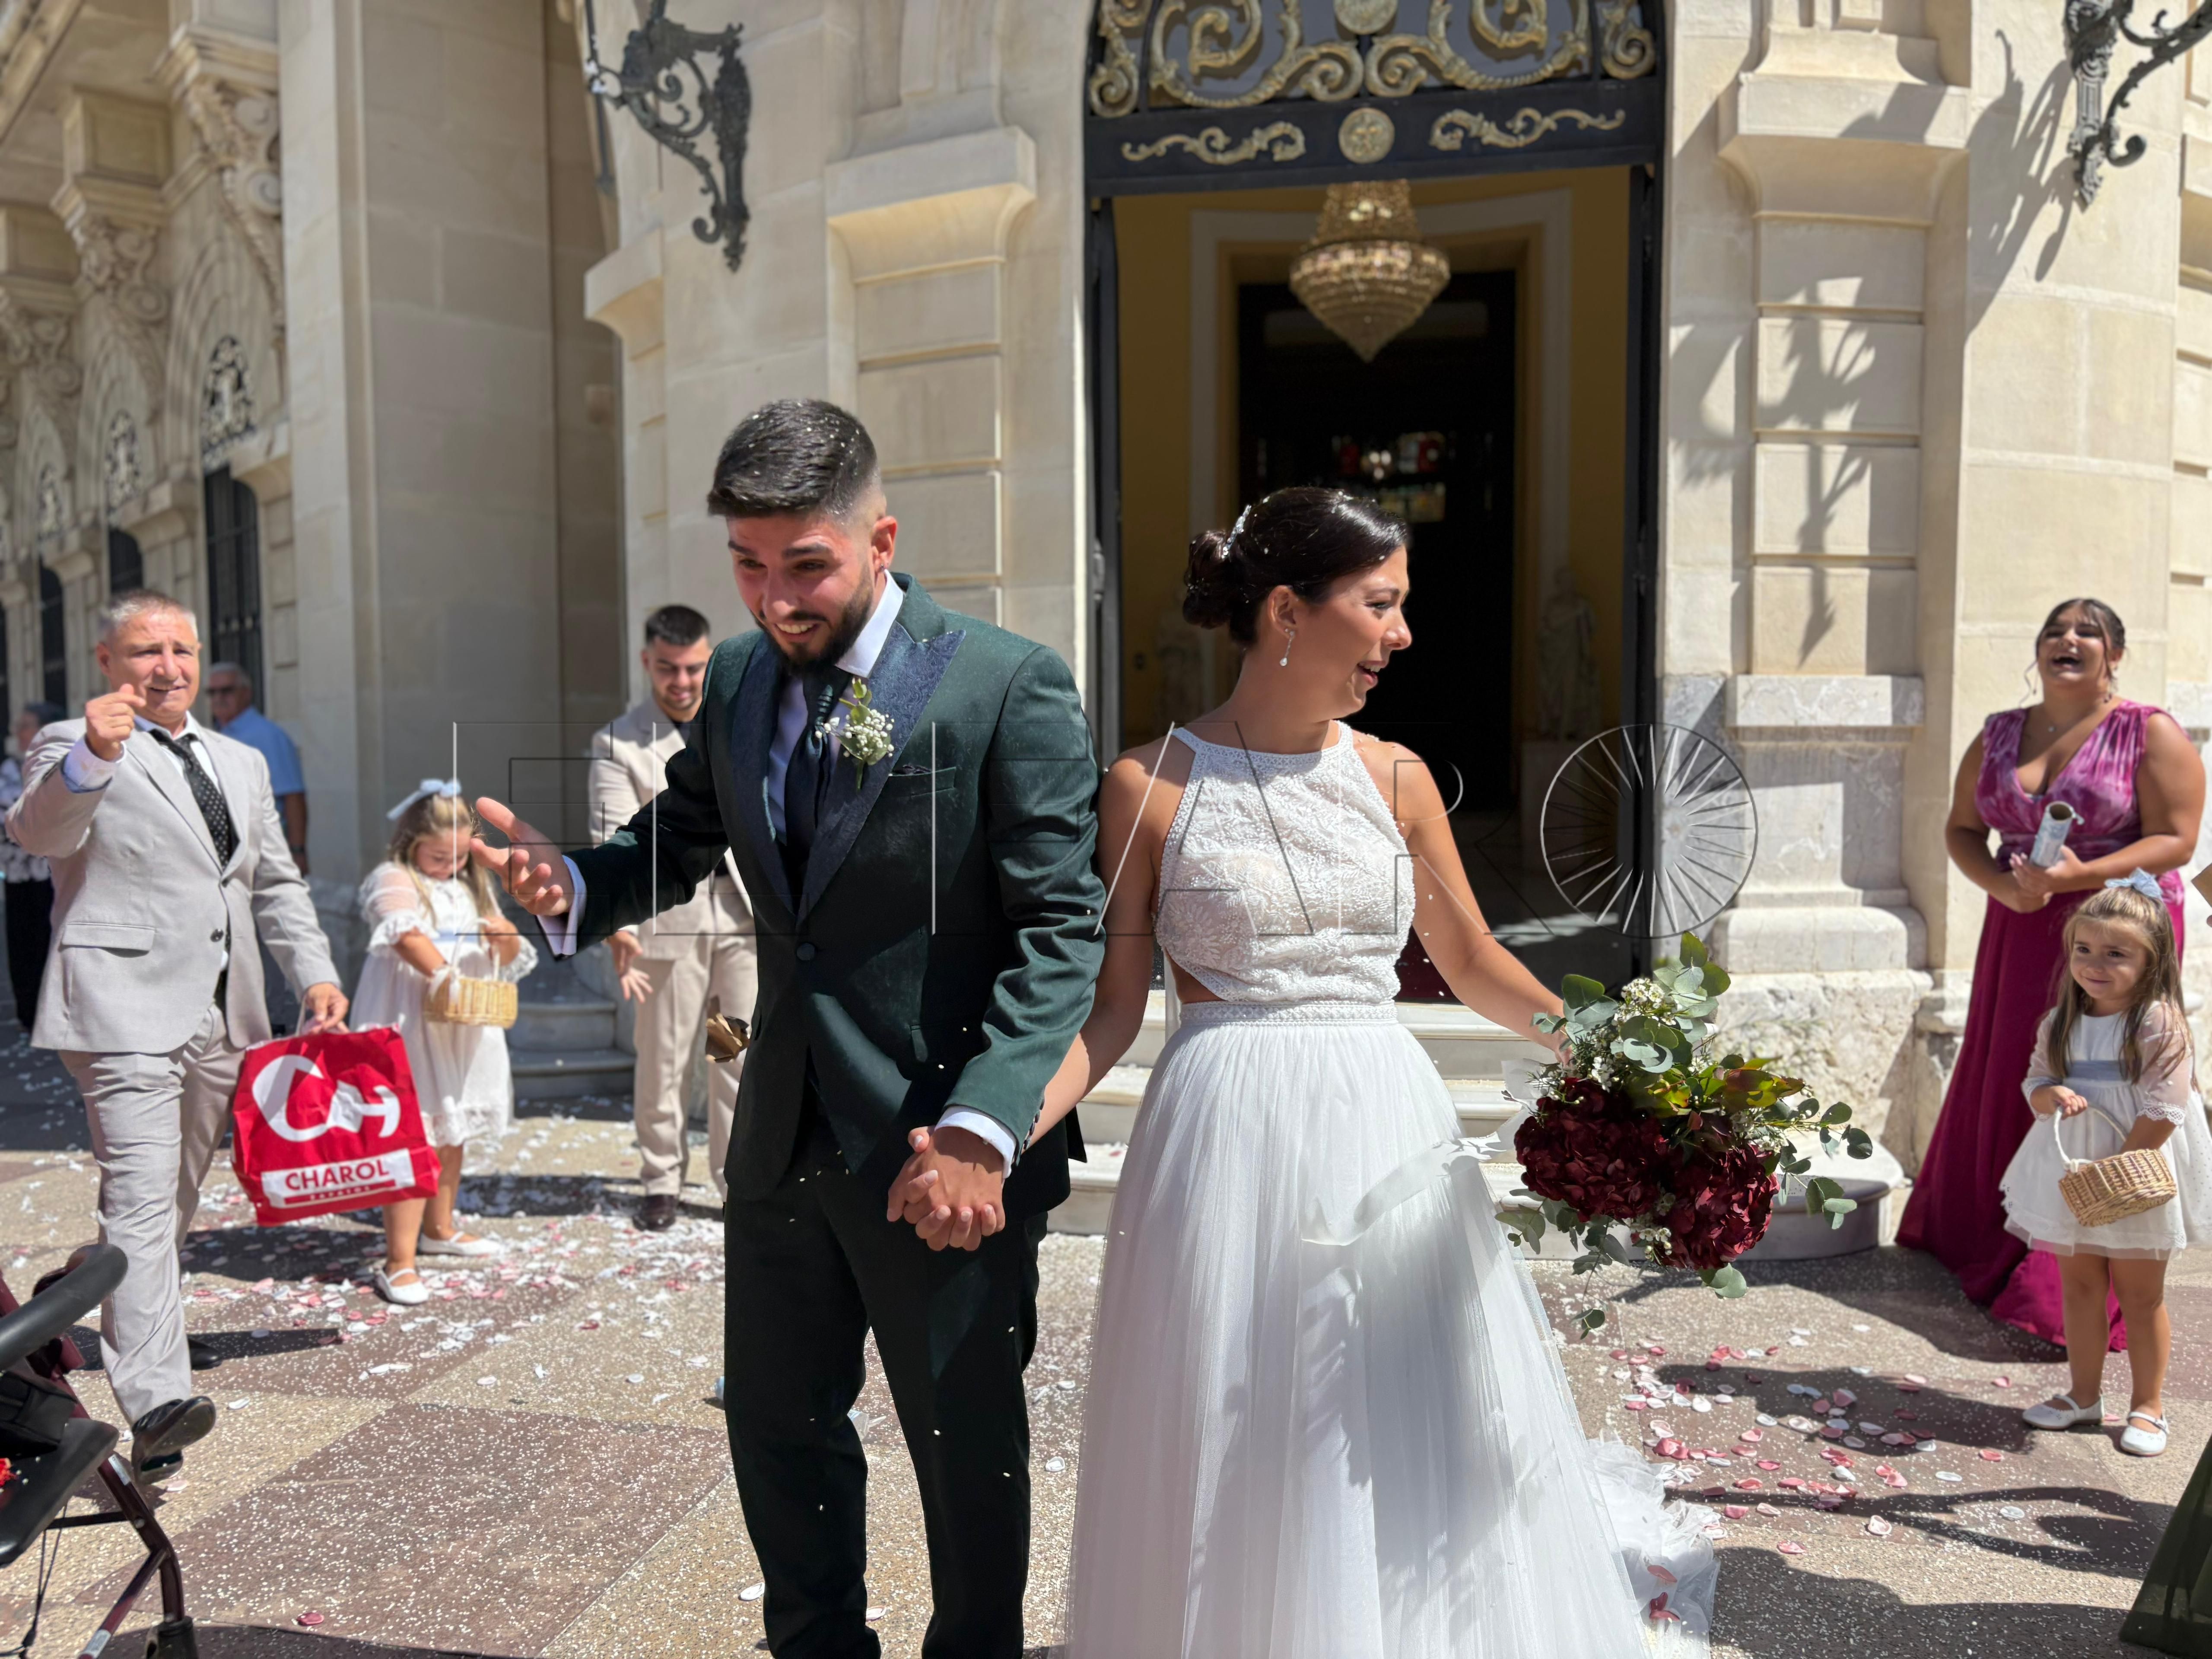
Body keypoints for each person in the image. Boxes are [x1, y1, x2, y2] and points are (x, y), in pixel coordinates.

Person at [921, 487, 1715, 1655]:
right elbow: (1112, 1009)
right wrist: (987, 1134)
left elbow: (1471, 959)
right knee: (1240, 1408)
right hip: (1225, 1138)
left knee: (1397, 1403)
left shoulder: (1397, 778)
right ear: (1289, 611)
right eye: (1381, 604)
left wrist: (1632, 1065)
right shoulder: (1148, 785)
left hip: (1385, 1126)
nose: (1402, 633)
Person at [471, 399, 1103, 1659]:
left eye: (803, 564)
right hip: (776, 1136)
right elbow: (681, 835)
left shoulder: (1003, 682)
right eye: (746, 565)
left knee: (963, 1448)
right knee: (776, 1429)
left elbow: (1060, 930)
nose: (772, 598)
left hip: (941, 1149)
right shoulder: (741, 676)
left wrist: (985, 1125)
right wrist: (576, 885)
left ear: (880, 539)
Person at [6, 590, 347, 1485]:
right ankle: (158, 1403)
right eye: (146, 651)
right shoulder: (72, 744)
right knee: (143, 1193)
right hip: (121, 1004)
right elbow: (38, 832)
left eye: (182, 650)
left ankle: (81, 1286)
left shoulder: (240, 760)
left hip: (225, 1010)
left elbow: (273, 882)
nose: (168, 667)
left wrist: (313, 972)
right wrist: (94, 755)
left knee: (173, 1201)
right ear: (108, 661)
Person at [1899, 597, 2205, 1348]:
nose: (2068, 639)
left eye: (2087, 632)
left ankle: (2083, 1250)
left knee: (2101, 1075)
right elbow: (1962, 829)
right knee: (2019, 1064)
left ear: (2114, 656)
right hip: (2023, 920)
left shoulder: (2150, 731)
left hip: (2118, 930)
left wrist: (2079, 876)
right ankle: (1991, 1229)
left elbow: (2177, 838)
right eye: (2055, 631)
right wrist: (2001, 887)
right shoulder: (1999, 732)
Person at [2000, 877, 2212, 1460]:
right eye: (2084, 950)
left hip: (2137, 1169)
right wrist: (2048, 1096)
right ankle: (2083, 1394)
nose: (2094, 965)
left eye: (2115, 953)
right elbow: (2036, 1080)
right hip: (2073, 1169)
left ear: (2151, 961)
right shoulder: (2059, 1022)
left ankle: (2149, 1404)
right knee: (2080, 1285)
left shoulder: (2158, 1023)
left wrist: (2118, 1174)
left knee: (2141, 1295)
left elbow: (2165, 1106)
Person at [589, 603, 756, 1231]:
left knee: (732, 1053)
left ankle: (734, 1182)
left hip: (741, 918)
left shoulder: (739, 723)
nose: (682, 682)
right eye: (668, 669)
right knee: (665, 1058)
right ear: (647, 663)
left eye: (693, 668)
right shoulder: (617, 742)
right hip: (667, 921)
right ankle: (660, 1179)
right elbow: (612, 837)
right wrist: (617, 924)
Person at [353, 783, 535, 1306]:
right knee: (413, 1136)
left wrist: (504, 939)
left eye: (458, 857)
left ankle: (439, 1227)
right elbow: (404, 934)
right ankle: (399, 1260)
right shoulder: (395, 878)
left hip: (464, 1024)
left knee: (451, 1132)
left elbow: (508, 955)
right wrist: (444, 977)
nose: (450, 867)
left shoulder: (472, 886)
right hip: (411, 1020)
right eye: (438, 857)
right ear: (410, 844)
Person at [0, 702, 63, 1030]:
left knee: (48, 943)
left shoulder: (58, 764)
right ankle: (29, 1014)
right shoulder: (10, 767)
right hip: (15, 872)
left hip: (49, 873)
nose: (18, 732)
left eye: (25, 725)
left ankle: (52, 1013)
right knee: (20, 944)